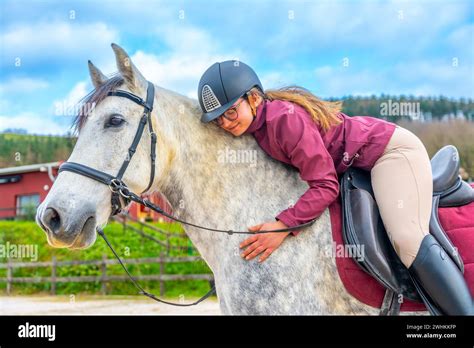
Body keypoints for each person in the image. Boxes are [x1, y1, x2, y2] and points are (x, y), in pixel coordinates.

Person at [197, 60, 473, 315]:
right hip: (360, 165)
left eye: (230, 112)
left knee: (406, 238)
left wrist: (282, 226)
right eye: (218, 119)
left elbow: (326, 185)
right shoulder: (257, 127)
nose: (226, 123)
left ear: (254, 98)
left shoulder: (283, 120)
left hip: (391, 153)